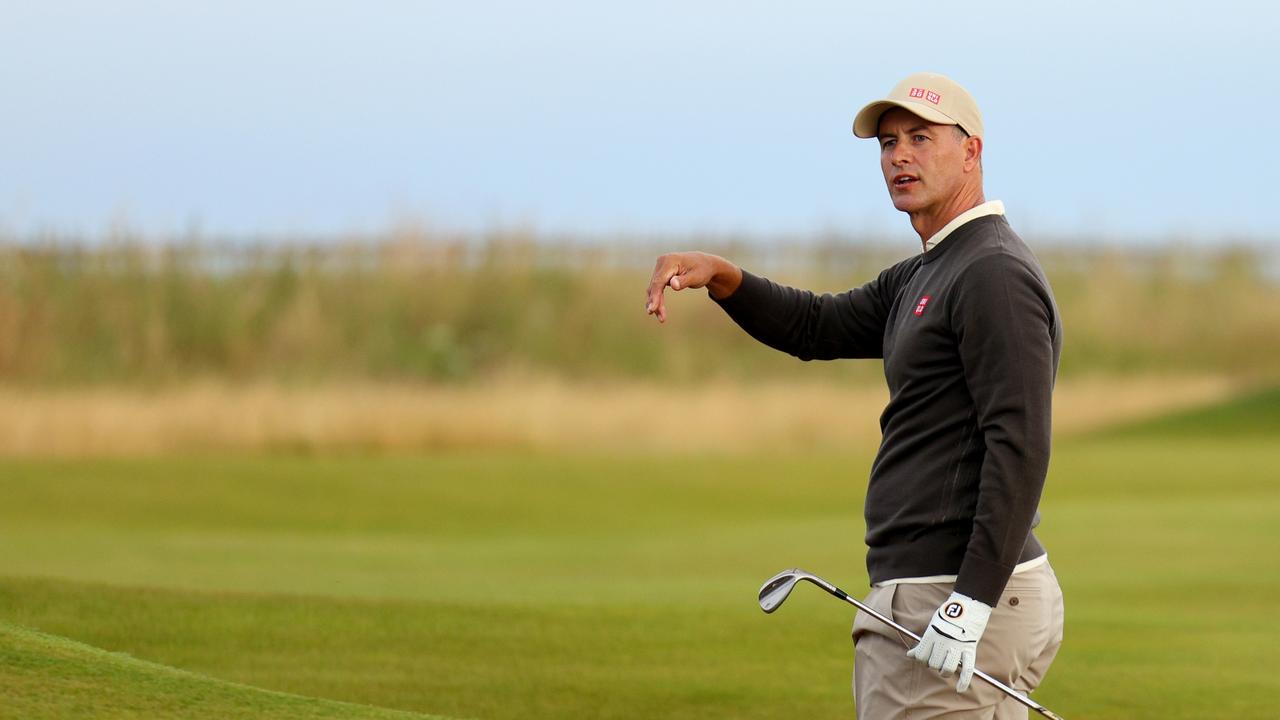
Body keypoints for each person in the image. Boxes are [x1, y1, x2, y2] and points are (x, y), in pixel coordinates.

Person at [644, 72, 1065, 719]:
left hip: (951, 591)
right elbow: (819, 325)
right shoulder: (932, 268)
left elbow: (1021, 444)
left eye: (921, 138)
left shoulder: (992, 273)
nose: (899, 156)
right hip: (940, 588)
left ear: (971, 151)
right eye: (889, 142)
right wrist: (724, 277)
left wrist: (970, 601)